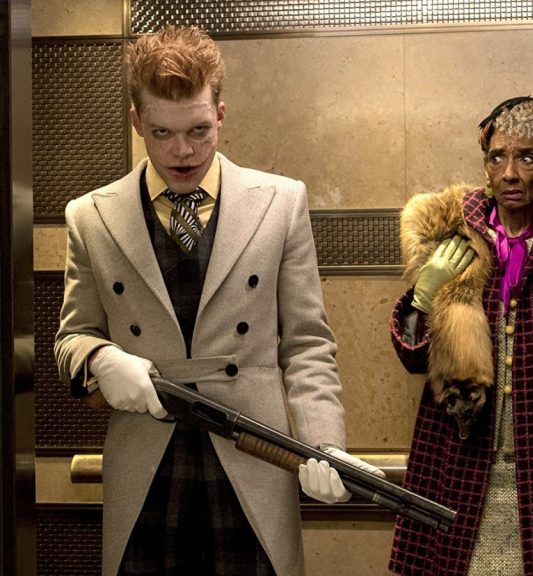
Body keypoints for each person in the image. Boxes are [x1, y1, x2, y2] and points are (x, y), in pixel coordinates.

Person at [54, 25, 381, 576]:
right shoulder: (91, 216)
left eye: (199, 130)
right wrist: (100, 359)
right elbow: (72, 338)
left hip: (252, 455)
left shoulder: (280, 202)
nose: (182, 151)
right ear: (136, 122)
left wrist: (325, 445)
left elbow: (306, 344)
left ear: (221, 115)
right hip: (147, 463)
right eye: (161, 132)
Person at [388, 97, 533, 575]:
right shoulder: (454, 238)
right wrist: (424, 296)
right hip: (461, 461)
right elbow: (413, 357)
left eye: (527, 157)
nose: (510, 173)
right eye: (497, 157)